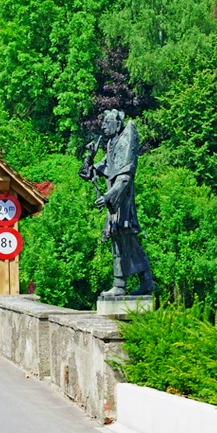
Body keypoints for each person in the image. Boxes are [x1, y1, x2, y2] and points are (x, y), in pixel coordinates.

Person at [79, 109, 155, 297]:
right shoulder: (111, 148)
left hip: (123, 205)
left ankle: (120, 286)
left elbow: (124, 179)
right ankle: (146, 281)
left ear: (118, 125)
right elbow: (86, 174)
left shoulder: (124, 146)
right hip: (115, 206)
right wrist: (90, 155)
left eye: (107, 122)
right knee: (128, 243)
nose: (103, 126)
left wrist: (107, 197)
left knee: (122, 243)